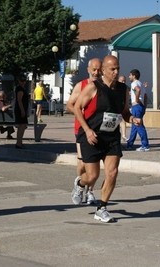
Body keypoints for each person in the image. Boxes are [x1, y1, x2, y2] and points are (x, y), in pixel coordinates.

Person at [71, 55, 141, 222]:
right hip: (92, 136)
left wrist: (131, 119)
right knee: (92, 176)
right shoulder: (93, 87)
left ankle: (101, 208)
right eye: (112, 69)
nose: (116, 72)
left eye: (118, 68)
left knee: (112, 172)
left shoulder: (123, 89)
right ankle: (80, 184)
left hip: (111, 137)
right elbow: (77, 108)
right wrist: (87, 130)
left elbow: (124, 112)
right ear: (104, 70)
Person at [66, 58, 102, 205]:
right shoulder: (81, 85)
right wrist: (79, 112)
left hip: (98, 129)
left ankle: (90, 191)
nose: (96, 72)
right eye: (94, 69)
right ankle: (79, 186)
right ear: (88, 69)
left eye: (99, 70)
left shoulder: (104, 86)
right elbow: (69, 105)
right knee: (82, 163)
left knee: (94, 163)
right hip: (81, 129)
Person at [126, 69, 150, 151]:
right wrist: (144, 106)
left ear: (134, 76)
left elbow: (138, 90)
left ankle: (145, 145)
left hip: (136, 106)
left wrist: (136, 99)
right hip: (140, 106)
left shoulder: (134, 83)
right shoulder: (141, 84)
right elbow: (146, 97)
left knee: (139, 125)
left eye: (130, 75)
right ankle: (129, 144)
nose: (129, 77)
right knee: (134, 125)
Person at [14, 74, 29, 149]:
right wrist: (22, 111)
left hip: (22, 109)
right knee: (22, 126)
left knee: (22, 126)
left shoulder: (22, 88)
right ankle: (19, 143)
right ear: (19, 80)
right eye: (22, 80)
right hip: (20, 109)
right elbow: (19, 100)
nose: (23, 82)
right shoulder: (19, 89)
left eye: (24, 80)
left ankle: (19, 142)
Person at [118, 75, 130, 142]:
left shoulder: (126, 88)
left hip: (122, 107)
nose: (123, 82)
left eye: (124, 81)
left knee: (122, 121)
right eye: (122, 80)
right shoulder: (115, 87)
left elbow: (131, 93)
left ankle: (124, 135)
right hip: (115, 108)